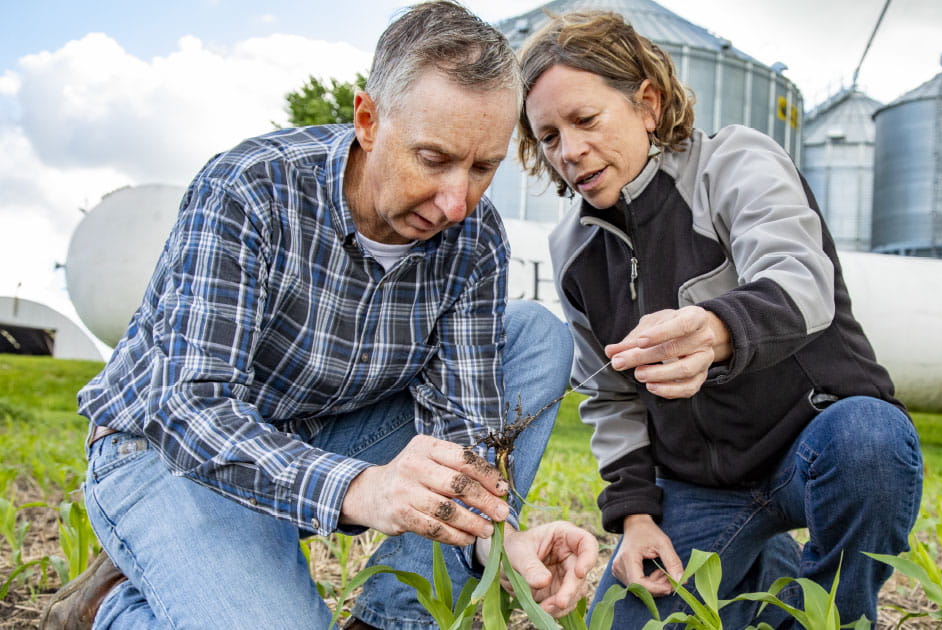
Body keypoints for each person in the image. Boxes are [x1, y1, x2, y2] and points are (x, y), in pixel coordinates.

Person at [41, 3, 598, 629]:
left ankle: (391, 616)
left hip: (323, 435)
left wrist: (490, 541)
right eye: (434, 159)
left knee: (534, 338)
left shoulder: (474, 242)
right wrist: (363, 489)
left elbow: (466, 433)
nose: (457, 202)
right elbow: (188, 405)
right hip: (166, 451)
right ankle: (110, 608)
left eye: (483, 168)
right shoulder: (253, 188)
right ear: (368, 120)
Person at [516, 10, 924, 628]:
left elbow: (800, 279)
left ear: (647, 104)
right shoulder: (573, 251)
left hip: (813, 441)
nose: (570, 152)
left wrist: (716, 329)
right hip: (700, 487)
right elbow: (610, 397)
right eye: (548, 137)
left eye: (586, 120)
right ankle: (765, 575)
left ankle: (834, 617)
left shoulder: (734, 163)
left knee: (873, 441)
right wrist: (636, 517)